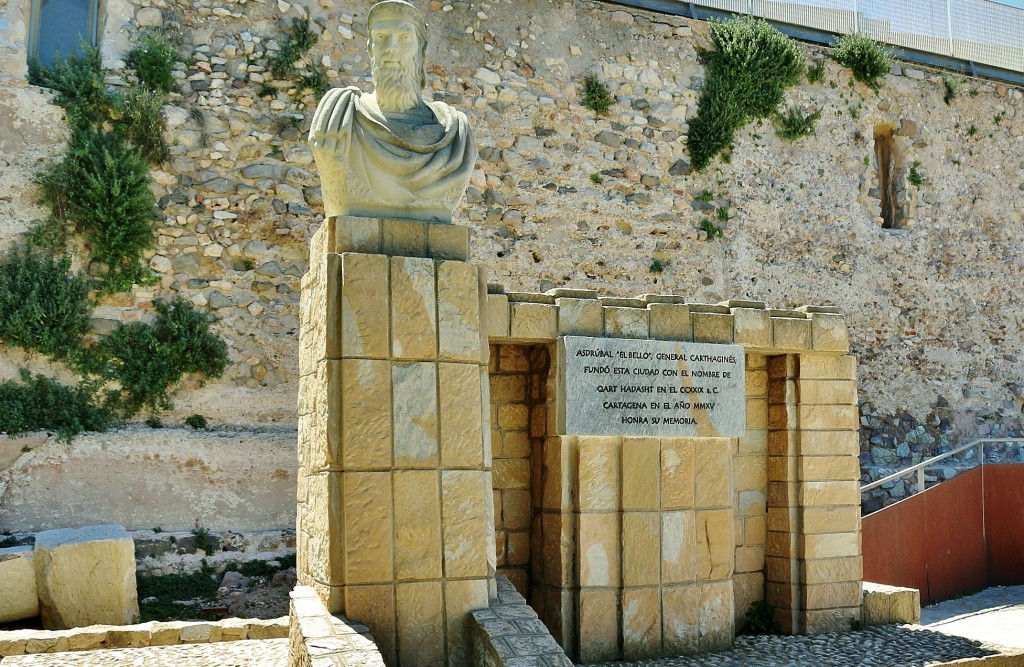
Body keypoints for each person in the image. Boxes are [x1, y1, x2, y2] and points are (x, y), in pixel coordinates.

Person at [309, 0, 476, 223]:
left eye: (404, 38)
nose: (391, 48)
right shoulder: (342, 115)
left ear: (421, 50)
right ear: (370, 49)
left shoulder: (455, 134)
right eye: (381, 38)